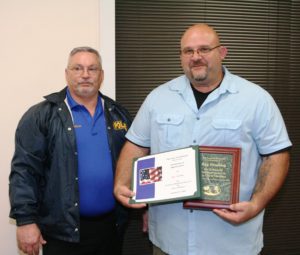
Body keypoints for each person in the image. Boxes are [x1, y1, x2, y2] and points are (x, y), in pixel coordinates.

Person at [114, 24, 292, 255]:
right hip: (169, 240)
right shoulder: (158, 98)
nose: (196, 57)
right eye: (188, 51)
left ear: (222, 52)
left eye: (204, 49)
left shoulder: (256, 100)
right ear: (180, 57)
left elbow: (276, 156)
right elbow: (136, 145)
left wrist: (257, 204)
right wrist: (121, 183)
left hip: (231, 243)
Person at [9, 46, 131, 255]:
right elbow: (24, 170)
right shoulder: (41, 115)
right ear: (67, 74)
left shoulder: (118, 113)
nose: (85, 74)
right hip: (61, 232)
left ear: (101, 75)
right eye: (77, 68)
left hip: (110, 228)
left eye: (92, 69)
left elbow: (135, 164)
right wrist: (26, 220)